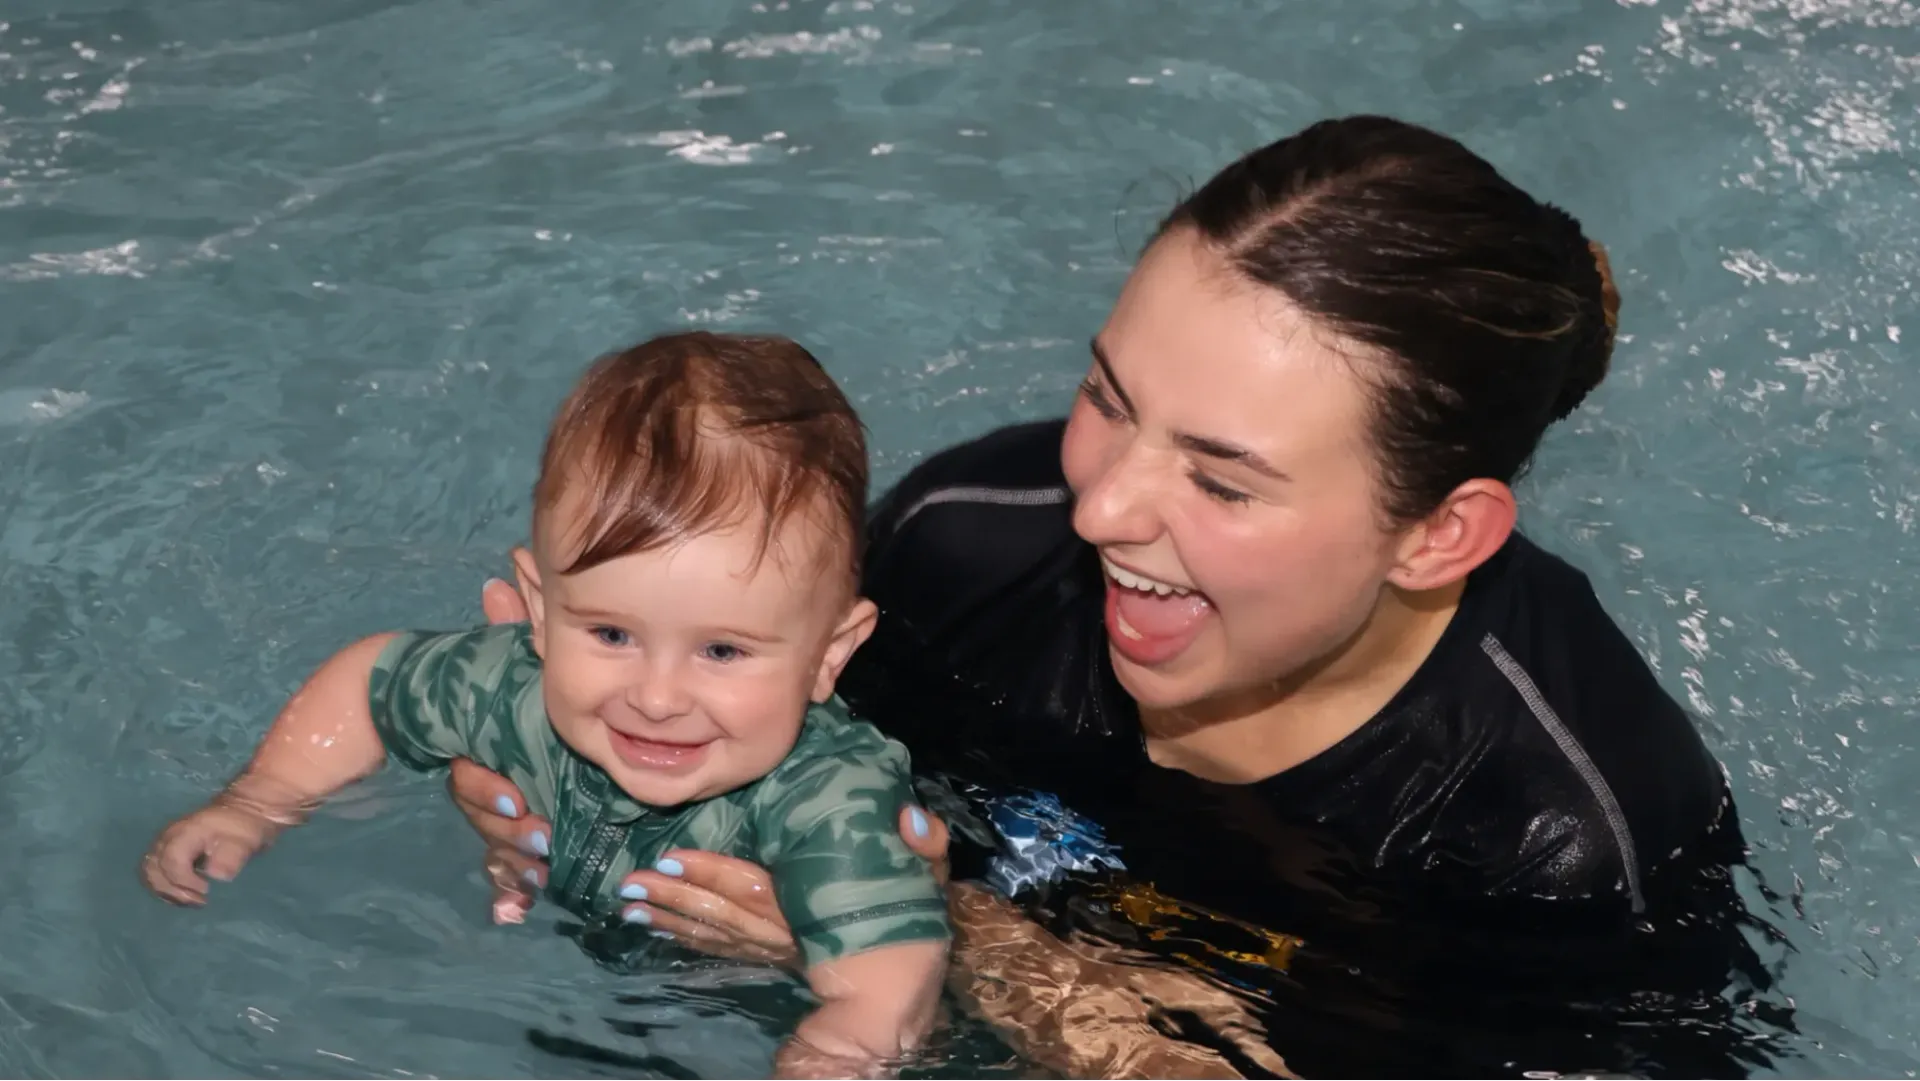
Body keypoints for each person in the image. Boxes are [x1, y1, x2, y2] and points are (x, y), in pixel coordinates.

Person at [444, 117, 1783, 1080]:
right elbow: (739, 782)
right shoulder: (976, 545)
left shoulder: (1561, 846)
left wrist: (941, 936)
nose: (1099, 509)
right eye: (1109, 400)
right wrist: (564, 772)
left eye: (1223, 479)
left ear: (1439, 535)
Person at [141, 332, 953, 1079]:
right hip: (579, 973)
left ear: (829, 656)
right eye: (609, 632)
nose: (657, 696)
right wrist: (258, 802)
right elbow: (370, 681)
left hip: (745, 1009)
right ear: (538, 608)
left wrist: (827, 1055)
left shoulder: (827, 801)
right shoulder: (511, 687)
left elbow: (886, 986)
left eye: (722, 650)